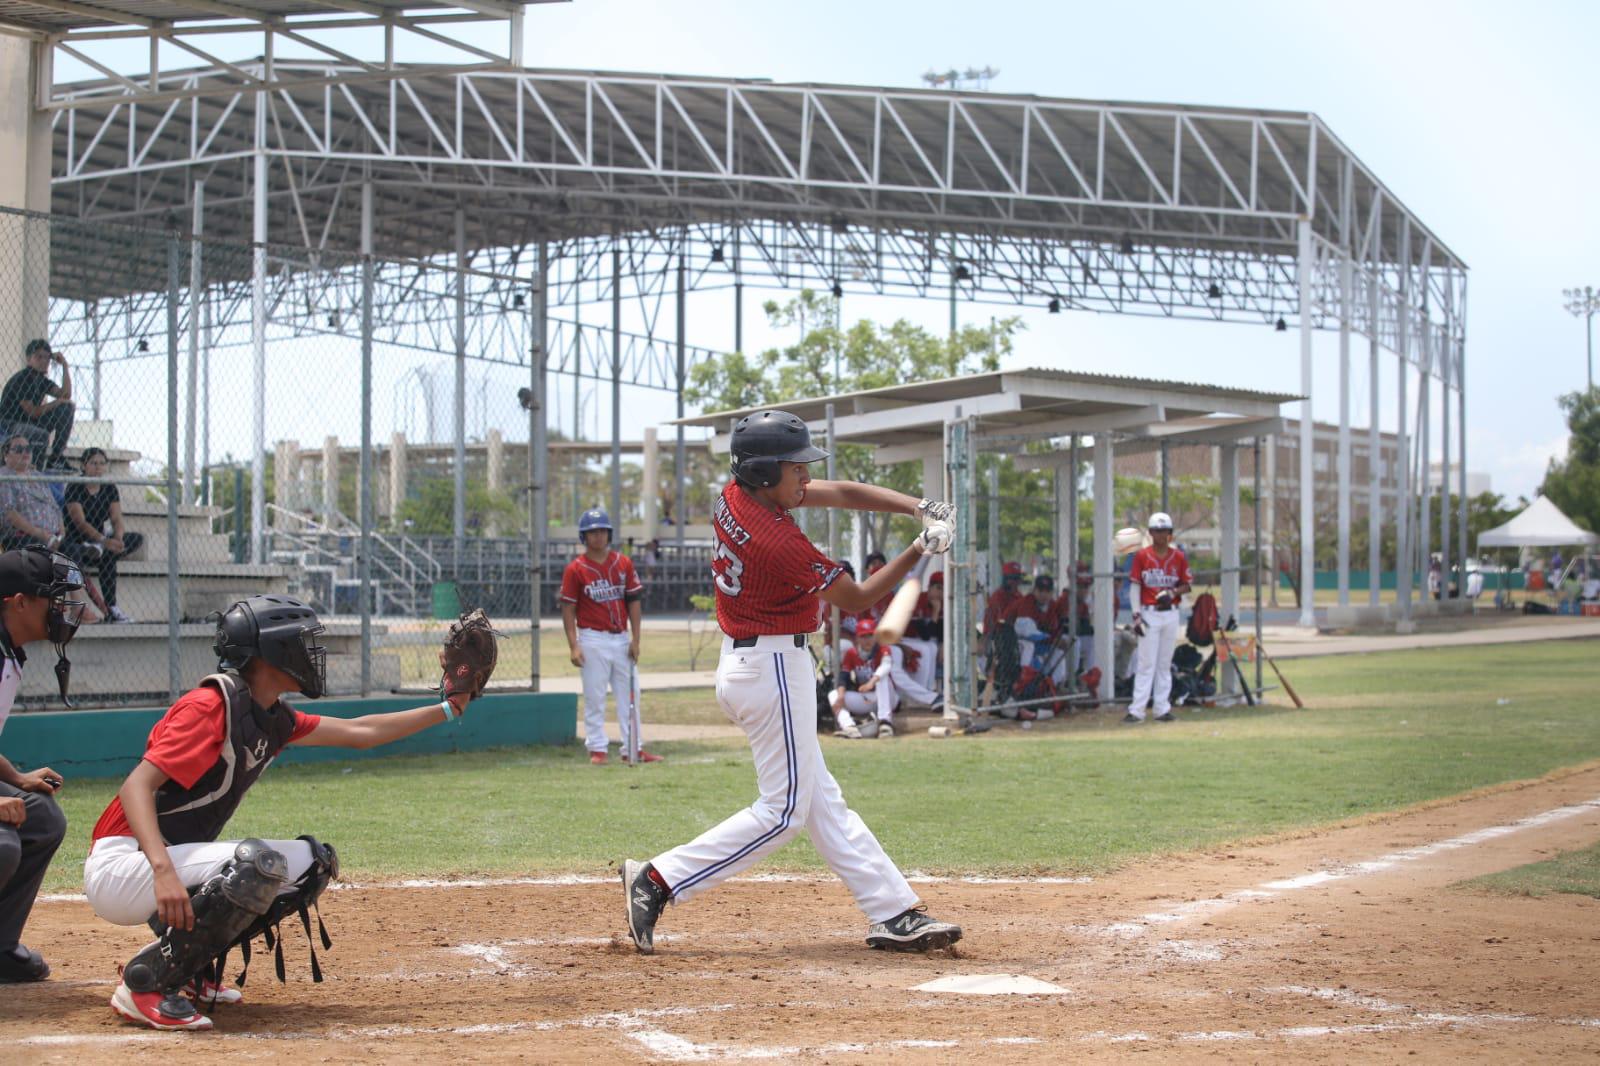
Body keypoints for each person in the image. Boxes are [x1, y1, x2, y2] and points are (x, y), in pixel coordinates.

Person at [621, 409, 961, 955]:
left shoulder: (736, 494)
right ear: (763, 472)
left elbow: (841, 492)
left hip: (755, 662)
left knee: (820, 800)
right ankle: (658, 880)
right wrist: (920, 548)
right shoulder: (774, 540)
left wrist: (917, 506)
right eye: (795, 467)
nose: (805, 476)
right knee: (784, 813)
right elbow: (857, 598)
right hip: (773, 668)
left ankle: (893, 911)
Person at [86, 595, 481, 1031]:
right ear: (271, 653)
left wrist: (448, 708)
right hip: (122, 864)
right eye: (299, 643)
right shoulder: (210, 707)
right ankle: (146, 982)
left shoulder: (270, 717)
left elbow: (361, 732)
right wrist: (161, 870)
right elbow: (135, 787)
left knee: (311, 863)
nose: (311, 653)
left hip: (157, 861)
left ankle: (186, 967)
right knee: (256, 865)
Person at [0, 547, 87, 984]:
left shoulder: (7, 651)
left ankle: (0, 947)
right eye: (50, 600)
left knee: (41, 817)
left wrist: (15, 779)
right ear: (18, 602)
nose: (60, 610)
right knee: (3, 845)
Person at [561, 508, 657, 766]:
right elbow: (568, 608)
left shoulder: (623, 563)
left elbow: (634, 602)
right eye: (592, 532)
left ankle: (633, 747)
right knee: (595, 697)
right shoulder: (575, 569)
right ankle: (597, 748)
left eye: (603, 531)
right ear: (584, 536)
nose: (598, 536)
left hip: (621, 638)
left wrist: (636, 639)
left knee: (631, 695)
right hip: (592, 638)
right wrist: (573, 645)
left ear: (609, 534)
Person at [1125, 512, 1192, 724]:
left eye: (1164, 531)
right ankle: (1137, 710)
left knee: (1164, 664)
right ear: (1150, 533)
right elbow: (1135, 587)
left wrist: (1173, 593)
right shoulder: (1142, 556)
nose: (1160, 535)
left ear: (1170, 533)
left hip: (1171, 613)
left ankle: (1162, 709)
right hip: (1149, 613)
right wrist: (1136, 616)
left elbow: (1187, 584)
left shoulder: (1178, 556)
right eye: (1156, 531)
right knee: (1146, 664)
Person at [63, 447, 143, 623]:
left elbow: (116, 518)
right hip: (78, 541)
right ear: (84, 465)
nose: (98, 467)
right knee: (107, 555)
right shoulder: (75, 486)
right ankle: (111, 608)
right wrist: (104, 540)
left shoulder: (109, 488)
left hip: (101, 542)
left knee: (135, 539)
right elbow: (80, 522)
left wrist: (118, 538)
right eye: (93, 463)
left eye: (101, 463)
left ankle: (112, 608)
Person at [0, 340, 75, 471]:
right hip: (10, 424)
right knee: (40, 434)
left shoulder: (41, 380)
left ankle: (56, 458)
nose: (44, 361)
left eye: (47, 357)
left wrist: (64, 366)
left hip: (30, 423)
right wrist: (57, 402)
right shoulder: (23, 378)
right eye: (39, 357)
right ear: (29, 359)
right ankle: (36, 471)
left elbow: (66, 395)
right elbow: (33, 412)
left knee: (66, 408)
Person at [829, 617, 894, 739]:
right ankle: (849, 727)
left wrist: (871, 682)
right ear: (857, 638)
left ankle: (885, 723)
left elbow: (886, 666)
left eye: (870, 635)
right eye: (863, 636)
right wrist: (841, 695)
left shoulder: (883, 649)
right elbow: (843, 676)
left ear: (875, 636)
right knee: (834, 694)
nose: (867, 640)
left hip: (888, 698)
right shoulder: (852, 652)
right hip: (867, 698)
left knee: (882, 678)